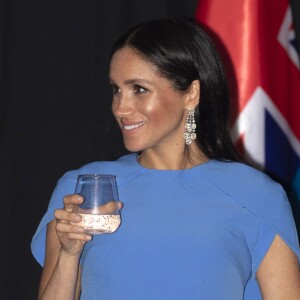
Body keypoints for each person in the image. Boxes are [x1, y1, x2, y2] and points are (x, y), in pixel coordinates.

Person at [31, 18, 300, 299]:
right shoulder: (86, 189)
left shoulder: (257, 195)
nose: (121, 108)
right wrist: (68, 254)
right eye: (116, 90)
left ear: (191, 94)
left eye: (139, 89)